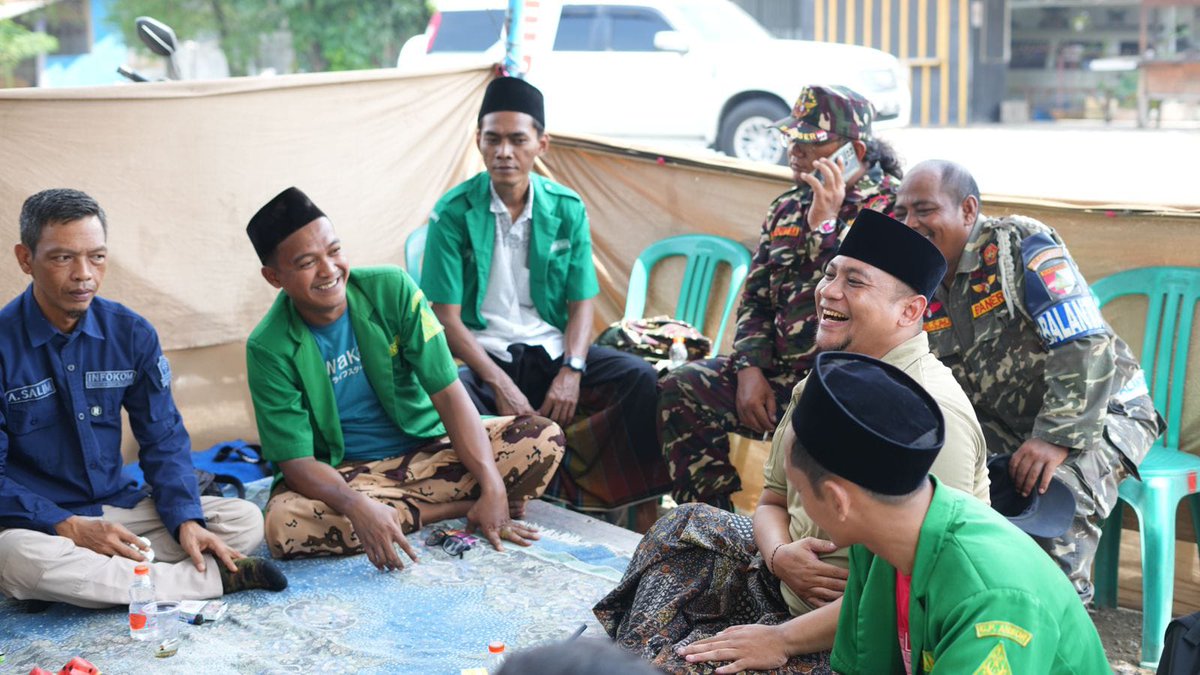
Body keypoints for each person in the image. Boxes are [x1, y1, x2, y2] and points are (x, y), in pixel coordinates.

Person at [595, 210, 989, 672]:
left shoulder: (933, 418)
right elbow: (772, 500)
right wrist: (780, 555)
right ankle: (636, 659)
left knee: (698, 664)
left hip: (858, 634)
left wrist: (781, 639)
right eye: (830, 274)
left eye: (854, 282)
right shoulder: (826, 378)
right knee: (683, 527)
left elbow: (924, 589)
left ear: (910, 311)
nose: (828, 291)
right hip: (782, 582)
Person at [679, 351, 1109, 674]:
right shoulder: (889, 537)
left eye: (800, 493)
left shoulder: (993, 600)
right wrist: (780, 640)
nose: (798, 508)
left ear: (838, 501)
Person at [244, 186, 565, 570]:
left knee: (542, 438)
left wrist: (492, 483)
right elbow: (296, 462)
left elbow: (448, 393)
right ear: (274, 277)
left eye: (334, 251)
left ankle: (420, 508)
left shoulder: (391, 288)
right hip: (351, 474)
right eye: (307, 263)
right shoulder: (268, 347)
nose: (329, 270)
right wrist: (355, 505)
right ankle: (448, 508)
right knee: (285, 524)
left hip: (431, 449)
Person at [0, 188, 284, 608]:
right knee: (14, 555)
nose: (84, 274)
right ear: (26, 259)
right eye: (63, 258)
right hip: (41, 525)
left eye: (97, 256)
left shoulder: (130, 333)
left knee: (241, 520)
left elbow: (163, 437)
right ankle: (206, 581)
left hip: (118, 511)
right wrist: (67, 525)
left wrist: (186, 520)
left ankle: (90, 582)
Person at [893, 159, 1163, 601]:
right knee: (934, 492)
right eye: (902, 212)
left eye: (924, 210)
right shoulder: (919, 278)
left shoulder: (1019, 243)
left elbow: (1083, 342)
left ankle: (1061, 625)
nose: (910, 224)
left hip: (1101, 409)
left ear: (967, 209)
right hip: (1006, 425)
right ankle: (970, 618)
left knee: (1055, 502)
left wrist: (1056, 437)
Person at [658, 84, 905, 510]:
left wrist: (825, 227)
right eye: (792, 138)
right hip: (778, 378)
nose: (795, 151)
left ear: (856, 151)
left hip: (847, 381)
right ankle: (713, 524)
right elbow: (755, 299)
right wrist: (749, 368)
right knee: (681, 387)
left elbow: (862, 304)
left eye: (811, 142)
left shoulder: (892, 210)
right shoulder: (787, 207)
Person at [420, 77, 662, 511]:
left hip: (549, 349)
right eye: (493, 139)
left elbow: (581, 302)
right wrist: (499, 382)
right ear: (478, 142)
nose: (504, 152)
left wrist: (572, 368)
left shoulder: (566, 208)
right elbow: (446, 318)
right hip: (484, 355)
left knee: (638, 378)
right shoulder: (452, 212)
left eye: (517, 140)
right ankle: (493, 497)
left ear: (541, 144)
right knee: (444, 398)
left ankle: (605, 501)